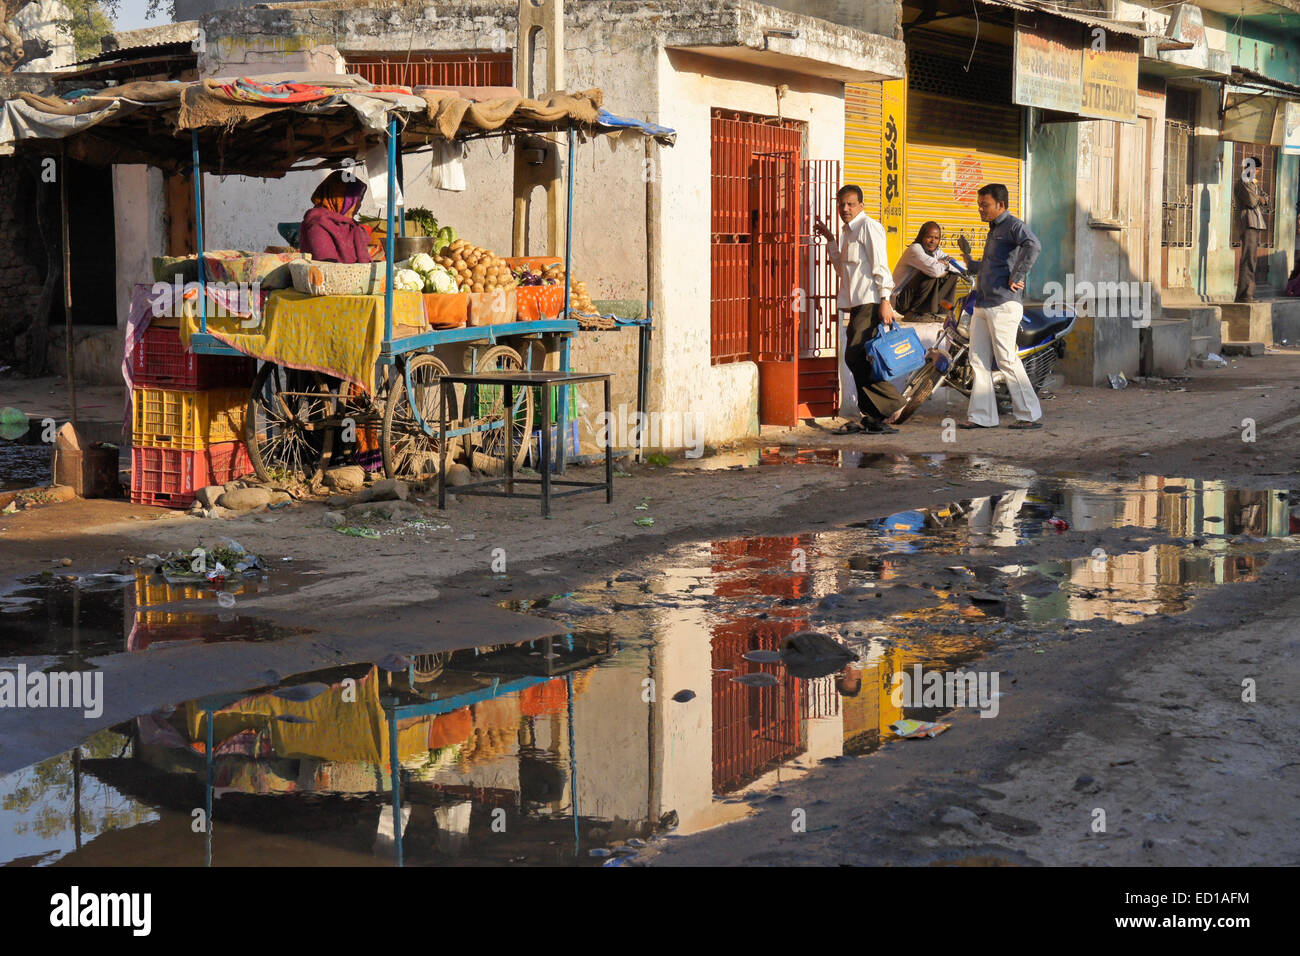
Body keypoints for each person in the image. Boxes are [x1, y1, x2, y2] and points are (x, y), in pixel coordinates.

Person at [956, 183, 1043, 431]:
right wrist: (969, 262)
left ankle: (1029, 414)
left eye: (985, 205)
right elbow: (989, 266)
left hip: (1004, 304)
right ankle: (982, 417)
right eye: (979, 205)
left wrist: (1018, 275)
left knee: (1006, 359)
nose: (980, 209)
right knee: (977, 360)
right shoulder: (994, 230)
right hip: (983, 303)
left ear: (1001, 205)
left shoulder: (1013, 225)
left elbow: (1034, 245)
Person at [814, 184, 901, 435]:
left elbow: (881, 265)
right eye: (841, 204)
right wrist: (831, 240)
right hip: (857, 304)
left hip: (871, 302)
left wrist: (885, 299)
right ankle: (873, 415)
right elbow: (842, 269)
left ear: (861, 205)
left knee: (855, 356)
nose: (845, 208)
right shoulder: (848, 233)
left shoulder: (869, 227)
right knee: (858, 357)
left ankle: (892, 403)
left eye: (851, 204)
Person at [299, 170, 384, 264]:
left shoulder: (352, 227)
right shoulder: (317, 225)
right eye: (356, 199)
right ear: (339, 198)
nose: (359, 205)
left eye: (360, 199)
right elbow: (327, 265)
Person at [892, 221, 960, 321]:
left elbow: (958, 267)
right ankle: (914, 313)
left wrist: (946, 265)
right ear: (922, 237)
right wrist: (944, 265)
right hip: (900, 301)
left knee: (952, 274)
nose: (933, 241)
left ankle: (940, 311)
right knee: (930, 273)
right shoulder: (915, 249)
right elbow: (935, 271)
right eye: (929, 237)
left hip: (912, 299)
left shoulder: (936, 252)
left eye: (936, 238)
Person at [1234, 157, 1268, 303]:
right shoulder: (1243, 182)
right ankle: (1245, 295)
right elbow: (1253, 201)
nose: (1257, 172)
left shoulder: (1253, 183)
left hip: (1255, 223)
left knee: (1252, 259)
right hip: (1248, 222)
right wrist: (1260, 198)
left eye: (1258, 170)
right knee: (1248, 259)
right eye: (1255, 169)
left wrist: (1260, 197)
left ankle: (1247, 293)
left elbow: (1266, 199)